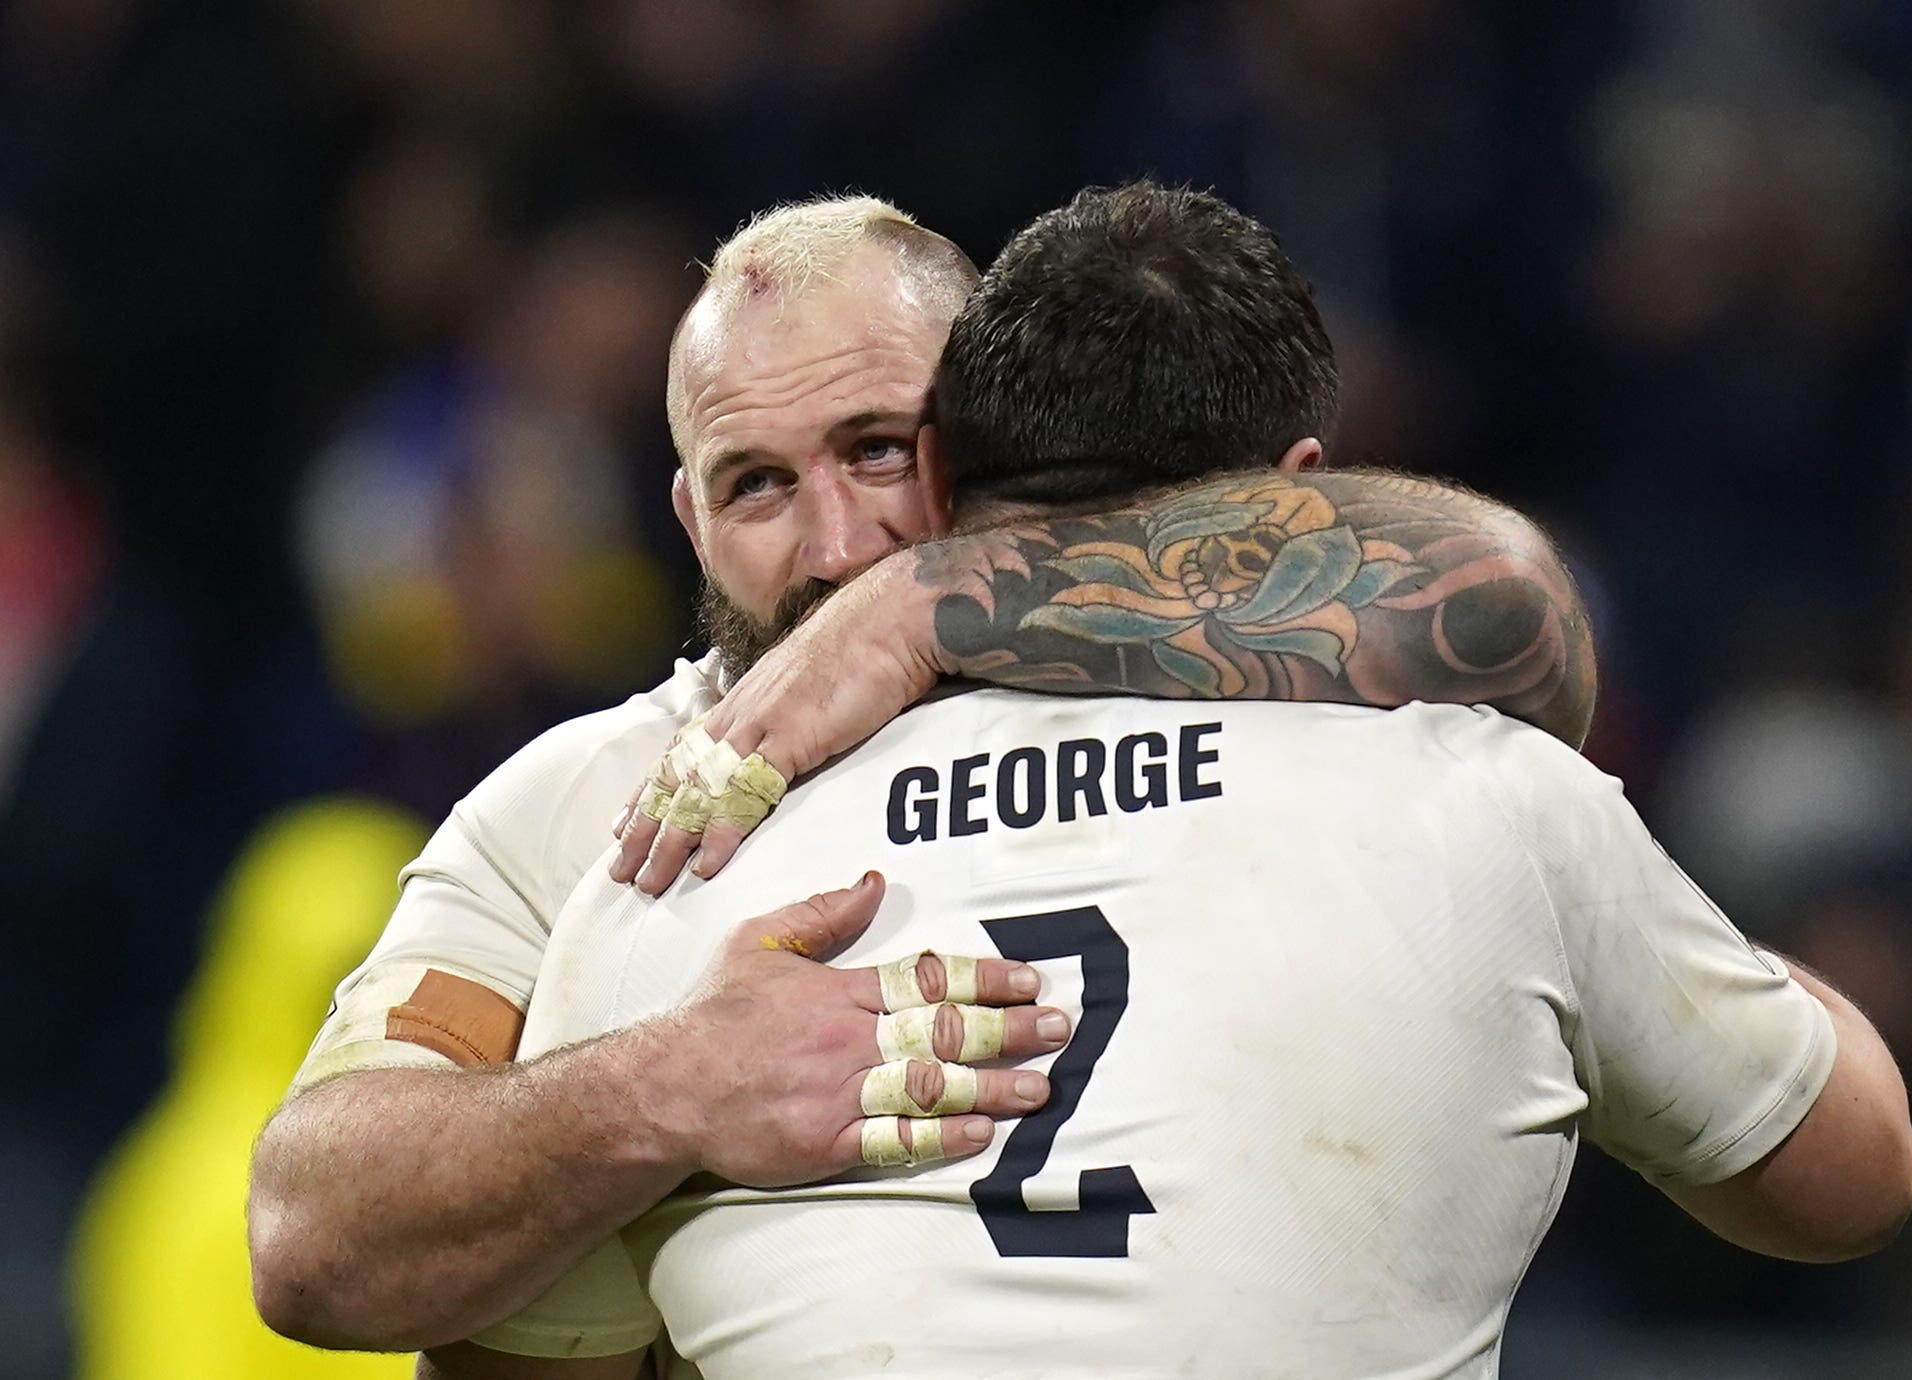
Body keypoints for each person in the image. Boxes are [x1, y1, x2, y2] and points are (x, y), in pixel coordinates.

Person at [430, 185, 1912, 1378]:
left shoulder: (676, 863)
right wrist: (1646, 946)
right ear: (1308, 487)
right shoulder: (1492, 802)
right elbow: (1851, 1182)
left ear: (954, 469)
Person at [249, 194, 1598, 1353]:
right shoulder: (591, 801)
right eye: (757, 485)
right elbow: (308, 1238)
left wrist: (927, 607)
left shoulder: (1229, 687)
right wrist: (667, 1089)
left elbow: (1508, 600)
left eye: (878, 450)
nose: (838, 547)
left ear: (987, 431)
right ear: (688, 517)